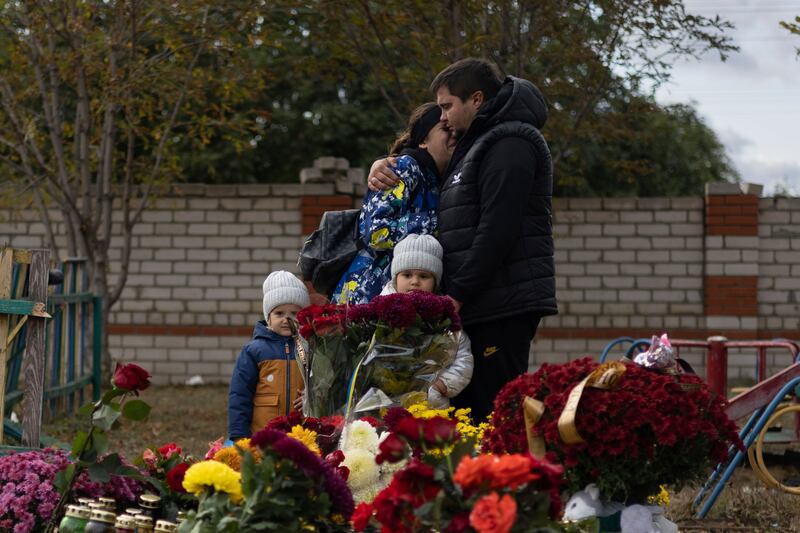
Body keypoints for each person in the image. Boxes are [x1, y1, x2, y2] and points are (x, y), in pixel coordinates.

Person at [367, 58, 557, 421]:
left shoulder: (511, 143)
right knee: (467, 416)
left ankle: (502, 477)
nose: (443, 117)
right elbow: (431, 171)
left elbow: (497, 230)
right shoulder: (479, 142)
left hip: (502, 303)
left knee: (491, 414)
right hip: (482, 300)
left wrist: (457, 294)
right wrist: (387, 163)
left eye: (447, 106)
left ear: (477, 99)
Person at [331, 102, 455, 305]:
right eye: (445, 129)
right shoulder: (404, 167)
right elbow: (377, 232)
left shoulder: (438, 178)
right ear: (423, 140)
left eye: (456, 130)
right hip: (369, 294)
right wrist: (443, 221)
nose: (454, 135)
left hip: (403, 296)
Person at [378, 234, 473, 409]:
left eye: (423, 276)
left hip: (431, 407)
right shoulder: (378, 315)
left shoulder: (445, 320)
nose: (414, 282)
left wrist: (442, 385)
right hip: (385, 404)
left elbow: (463, 358)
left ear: (435, 282)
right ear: (395, 278)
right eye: (407, 275)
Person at [227, 271, 310, 440]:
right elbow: (240, 395)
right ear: (268, 318)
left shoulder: (310, 349)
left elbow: (322, 385)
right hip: (262, 438)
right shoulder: (254, 351)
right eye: (279, 313)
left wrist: (311, 397)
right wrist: (239, 436)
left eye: (294, 314)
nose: (287, 319)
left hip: (301, 438)